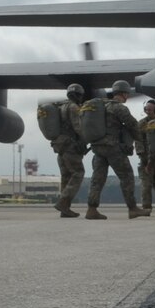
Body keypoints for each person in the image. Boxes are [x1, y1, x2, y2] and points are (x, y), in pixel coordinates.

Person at [82, 81, 147, 219]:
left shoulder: (101, 106)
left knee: (97, 179)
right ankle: (133, 208)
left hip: (98, 147)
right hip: (113, 148)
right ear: (124, 94)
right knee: (127, 177)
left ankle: (91, 209)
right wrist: (139, 139)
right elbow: (132, 124)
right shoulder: (118, 108)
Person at [51, 83, 89, 218]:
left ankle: (65, 209)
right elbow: (78, 127)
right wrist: (88, 138)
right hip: (70, 146)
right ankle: (63, 203)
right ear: (79, 95)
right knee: (78, 173)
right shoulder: (73, 107)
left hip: (59, 146)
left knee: (66, 176)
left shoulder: (60, 106)